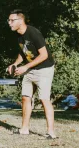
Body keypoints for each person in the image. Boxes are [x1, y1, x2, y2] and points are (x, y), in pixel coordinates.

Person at [6, 9, 57, 139]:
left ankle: (51, 132)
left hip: (44, 69)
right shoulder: (18, 35)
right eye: (9, 20)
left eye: (12, 20)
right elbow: (24, 52)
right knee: (25, 97)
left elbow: (44, 55)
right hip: (30, 69)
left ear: (21, 20)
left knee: (44, 99)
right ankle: (24, 129)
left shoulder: (34, 33)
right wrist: (15, 64)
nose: (9, 23)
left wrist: (25, 67)